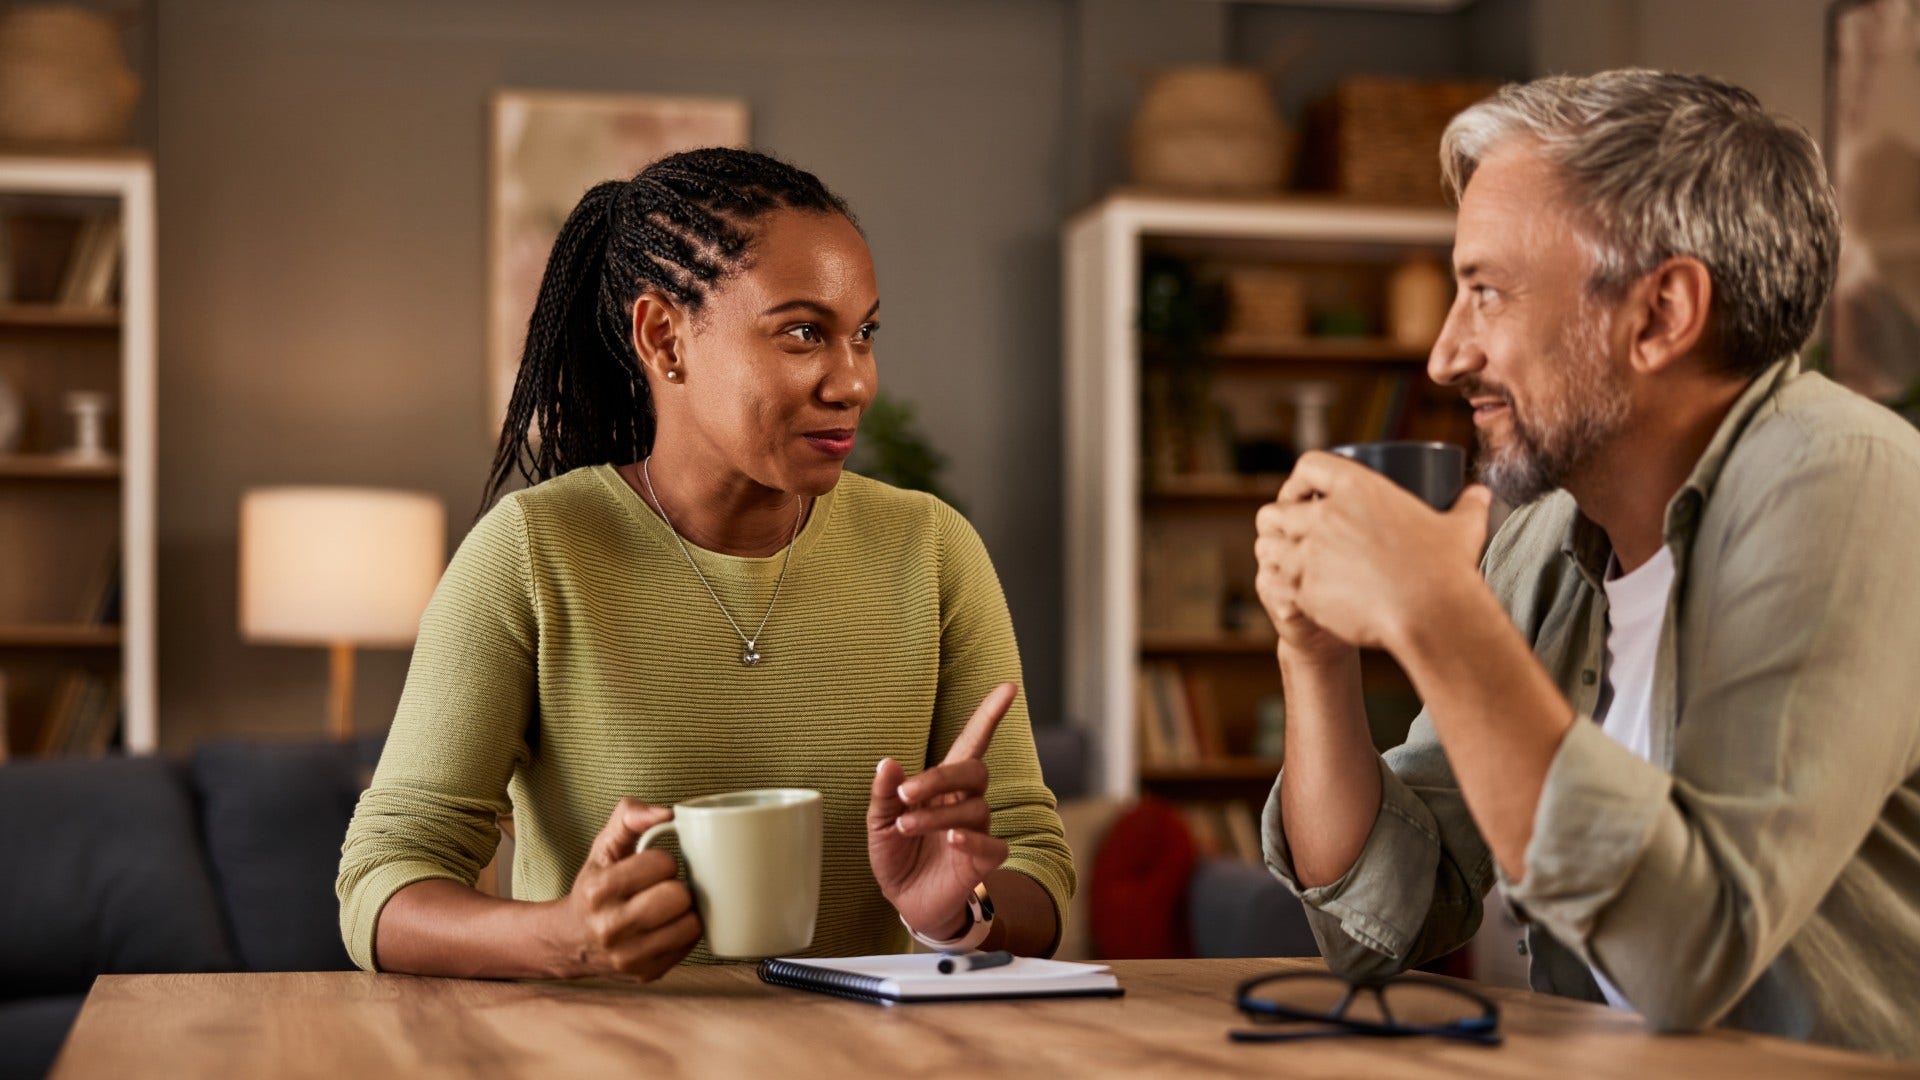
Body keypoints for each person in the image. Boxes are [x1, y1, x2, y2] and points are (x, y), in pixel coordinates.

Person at [1253, 70, 1920, 1059]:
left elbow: (1695, 948)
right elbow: (1380, 921)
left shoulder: (1848, 481)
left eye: (1485, 292)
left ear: (1660, 315)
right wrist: (1313, 653)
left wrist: (1439, 617)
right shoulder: (1543, 534)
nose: (1445, 354)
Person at [336, 148, 1072, 981]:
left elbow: (1036, 865)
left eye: (864, 334)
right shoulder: (534, 554)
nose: (855, 380)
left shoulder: (932, 550)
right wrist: (561, 937)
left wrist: (958, 914)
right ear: (664, 337)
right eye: (804, 333)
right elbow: (380, 883)